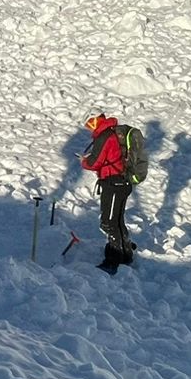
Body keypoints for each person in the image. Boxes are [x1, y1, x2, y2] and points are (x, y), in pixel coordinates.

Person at [81, 112, 138, 270]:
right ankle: (126, 253)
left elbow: (94, 162)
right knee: (117, 220)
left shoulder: (105, 136)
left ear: (97, 120)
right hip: (121, 182)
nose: (90, 127)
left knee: (109, 222)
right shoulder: (113, 132)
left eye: (91, 123)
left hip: (114, 184)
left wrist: (84, 161)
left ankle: (114, 258)